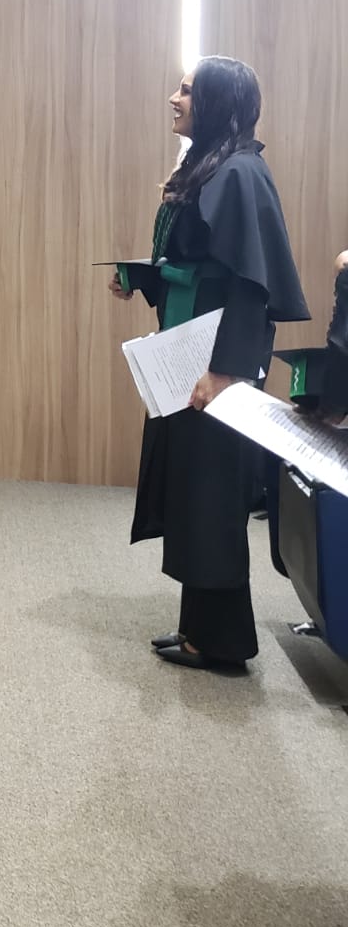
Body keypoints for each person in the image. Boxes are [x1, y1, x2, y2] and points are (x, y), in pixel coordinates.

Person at [112, 56, 308, 670]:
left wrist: (225, 373)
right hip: (188, 352)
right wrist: (142, 279)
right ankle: (199, 629)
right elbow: (198, 265)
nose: (174, 99)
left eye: (188, 91)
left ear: (218, 102)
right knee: (193, 491)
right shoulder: (212, 165)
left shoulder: (242, 173)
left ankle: (222, 643)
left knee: (212, 496)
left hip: (215, 364)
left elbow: (250, 287)